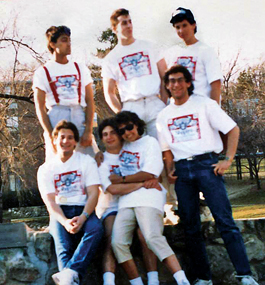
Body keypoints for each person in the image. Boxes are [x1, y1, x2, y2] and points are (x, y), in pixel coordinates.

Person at [156, 65, 259, 285]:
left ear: (188, 83)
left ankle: (245, 274)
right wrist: (169, 167)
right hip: (183, 171)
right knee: (190, 226)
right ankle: (204, 278)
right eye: (171, 81)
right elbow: (166, 148)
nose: (175, 84)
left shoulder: (204, 104)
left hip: (207, 166)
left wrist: (228, 160)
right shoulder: (163, 116)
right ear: (166, 85)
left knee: (225, 221)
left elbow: (232, 129)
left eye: (179, 80)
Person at [110, 111, 190, 285]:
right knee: (117, 242)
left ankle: (181, 279)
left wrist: (124, 179)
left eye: (129, 127)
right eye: (122, 130)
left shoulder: (149, 142)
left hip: (149, 197)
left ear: (137, 125)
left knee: (152, 237)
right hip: (126, 200)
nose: (127, 132)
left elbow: (150, 173)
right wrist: (137, 179)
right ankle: (137, 282)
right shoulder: (120, 147)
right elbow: (112, 177)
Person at [37, 120, 103, 285]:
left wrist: (83, 217)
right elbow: (50, 202)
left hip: (84, 209)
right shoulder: (45, 169)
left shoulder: (86, 161)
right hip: (60, 213)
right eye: (62, 137)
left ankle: (68, 273)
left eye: (70, 138)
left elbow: (94, 193)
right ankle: (70, 276)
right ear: (54, 140)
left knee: (96, 229)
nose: (65, 141)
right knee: (63, 247)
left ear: (75, 142)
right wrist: (65, 222)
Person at [96, 117, 160, 285]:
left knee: (144, 234)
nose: (109, 137)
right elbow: (113, 189)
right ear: (101, 139)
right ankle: (113, 281)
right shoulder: (101, 161)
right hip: (112, 207)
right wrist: (141, 183)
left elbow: (150, 172)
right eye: (104, 134)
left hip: (138, 203)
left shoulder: (133, 152)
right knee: (112, 237)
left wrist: (141, 181)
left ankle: (153, 280)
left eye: (113, 133)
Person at [33, 25, 98, 160]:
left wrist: (88, 130)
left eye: (69, 40)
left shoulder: (80, 68)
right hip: (57, 117)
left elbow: (90, 101)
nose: (68, 44)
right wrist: (51, 134)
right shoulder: (43, 72)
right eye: (63, 40)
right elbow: (39, 107)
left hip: (78, 114)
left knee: (93, 160)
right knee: (59, 164)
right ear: (52, 44)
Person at [102, 8, 167, 139]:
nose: (129, 26)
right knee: (138, 151)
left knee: (164, 146)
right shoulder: (111, 58)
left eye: (130, 21)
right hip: (131, 106)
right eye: (124, 23)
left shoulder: (149, 46)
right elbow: (109, 92)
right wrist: (122, 114)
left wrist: (164, 103)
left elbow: (164, 76)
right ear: (115, 29)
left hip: (154, 102)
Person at [159, 7, 222, 104]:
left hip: (200, 106)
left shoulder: (206, 51)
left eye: (184, 25)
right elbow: (165, 84)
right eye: (177, 27)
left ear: (193, 25)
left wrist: (214, 111)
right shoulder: (171, 53)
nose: (181, 30)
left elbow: (215, 84)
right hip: (178, 109)